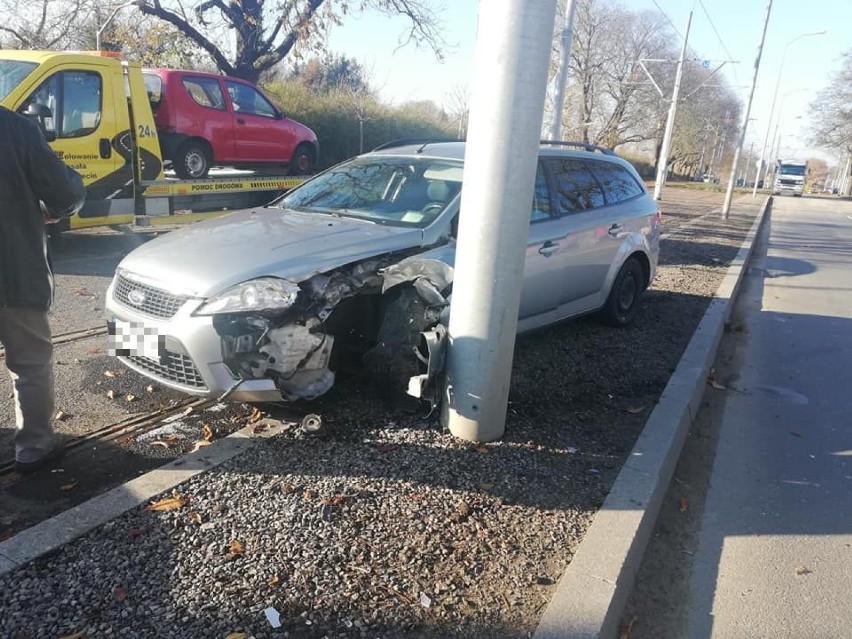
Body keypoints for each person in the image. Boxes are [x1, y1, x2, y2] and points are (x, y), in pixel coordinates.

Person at [0, 105, 85, 473]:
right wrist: (54, 207)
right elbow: (64, 191)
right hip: (12, 270)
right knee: (30, 361)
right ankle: (34, 447)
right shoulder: (15, 128)